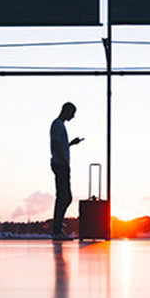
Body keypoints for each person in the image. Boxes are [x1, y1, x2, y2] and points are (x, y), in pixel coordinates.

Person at [50, 102, 83, 240]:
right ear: (66, 111)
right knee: (64, 197)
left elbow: (60, 144)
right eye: (72, 113)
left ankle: (57, 227)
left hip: (61, 163)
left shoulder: (59, 125)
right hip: (60, 164)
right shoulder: (57, 124)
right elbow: (56, 144)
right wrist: (63, 160)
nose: (73, 116)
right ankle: (56, 229)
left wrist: (70, 144)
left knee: (64, 196)